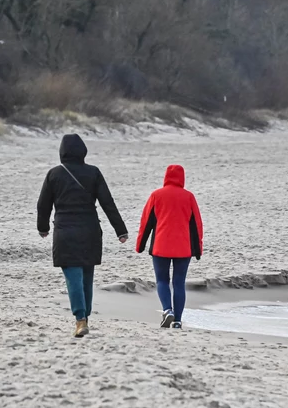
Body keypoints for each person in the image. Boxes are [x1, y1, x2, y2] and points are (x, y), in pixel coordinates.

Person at [37, 134, 128, 338]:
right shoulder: (93, 173)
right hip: (90, 230)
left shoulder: (54, 174)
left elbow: (43, 204)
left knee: (73, 276)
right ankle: (85, 317)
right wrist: (120, 230)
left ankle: (80, 320)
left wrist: (43, 227)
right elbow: (107, 203)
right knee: (87, 275)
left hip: (65, 232)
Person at [136, 165, 204, 330]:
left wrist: (140, 245)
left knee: (162, 281)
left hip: (161, 245)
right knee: (179, 283)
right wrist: (198, 249)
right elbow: (196, 225)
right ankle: (178, 321)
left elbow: (146, 223)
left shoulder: (156, 195)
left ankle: (167, 310)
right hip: (183, 247)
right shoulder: (188, 197)